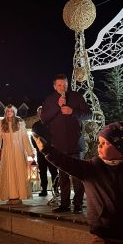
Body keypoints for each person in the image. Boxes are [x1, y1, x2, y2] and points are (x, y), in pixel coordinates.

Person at [41, 73, 91, 213]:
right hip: (59, 144)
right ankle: (64, 204)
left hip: (76, 143)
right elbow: (44, 119)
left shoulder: (76, 97)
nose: (62, 87)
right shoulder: (50, 100)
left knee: (77, 176)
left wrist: (73, 111)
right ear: (54, 86)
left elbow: (89, 114)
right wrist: (58, 107)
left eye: (64, 85)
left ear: (67, 85)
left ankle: (78, 204)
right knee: (62, 176)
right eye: (59, 85)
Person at [0, 105, 35, 204]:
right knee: (9, 172)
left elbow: (25, 138)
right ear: (5, 112)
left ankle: (19, 196)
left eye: (11, 110)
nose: (9, 112)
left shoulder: (20, 123)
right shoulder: (2, 124)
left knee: (19, 172)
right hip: (7, 152)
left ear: (14, 112)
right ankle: (12, 196)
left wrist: (30, 152)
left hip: (19, 151)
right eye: (7, 111)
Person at [31, 106, 58, 196]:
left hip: (51, 152)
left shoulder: (52, 124)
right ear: (37, 114)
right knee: (42, 171)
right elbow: (33, 138)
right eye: (39, 113)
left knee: (53, 171)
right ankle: (44, 190)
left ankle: (56, 189)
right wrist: (38, 148)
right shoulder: (35, 125)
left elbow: (55, 137)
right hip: (40, 152)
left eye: (42, 112)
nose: (41, 114)